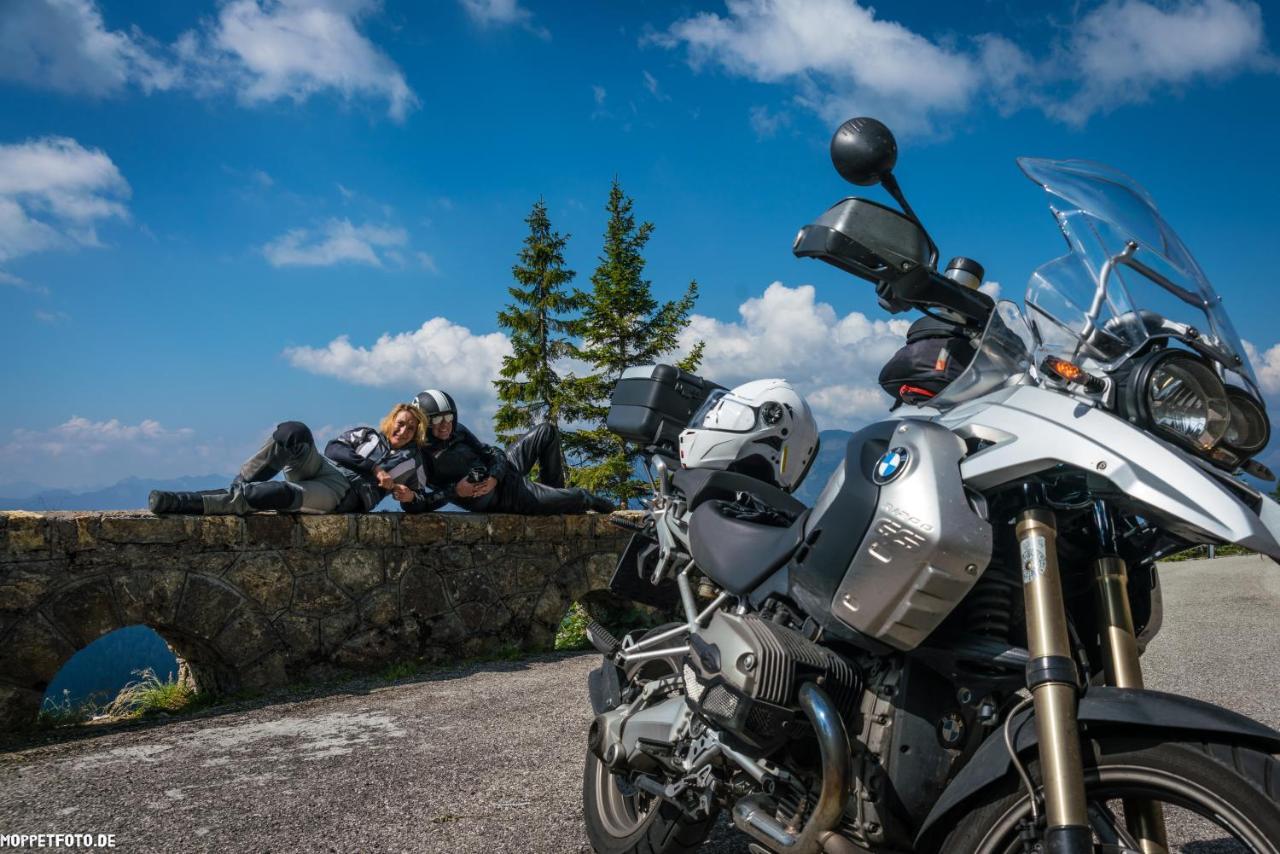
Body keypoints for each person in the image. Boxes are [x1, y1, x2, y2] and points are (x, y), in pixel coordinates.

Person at [148, 403, 442, 515]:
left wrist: (407, 497)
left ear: (417, 433)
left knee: (278, 493)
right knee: (293, 431)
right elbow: (333, 450)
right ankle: (240, 484)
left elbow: (421, 501)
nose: (403, 431)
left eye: (411, 428)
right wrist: (376, 468)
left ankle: (183, 502)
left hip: (343, 493)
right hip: (325, 467)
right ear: (391, 421)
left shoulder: (412, 461)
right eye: (400, 423)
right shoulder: (366, 434)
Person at [412, 389, 614, 515]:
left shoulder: (458, 430)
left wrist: (494, 476)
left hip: (502, 472)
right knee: (581, 497)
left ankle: (553, 502)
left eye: (448, 417)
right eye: (436, 420)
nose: (445, 425)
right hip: (503, 497)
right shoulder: (420, 455)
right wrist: (454, 491)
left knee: (546, 431)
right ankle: (612, 511)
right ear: (424, 423)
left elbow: (492, 453)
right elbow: (415, 505)